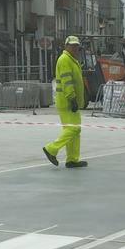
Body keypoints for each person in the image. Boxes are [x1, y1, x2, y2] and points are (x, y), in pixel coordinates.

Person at [43, 36, 87, 168]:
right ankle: (51, 149)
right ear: (66, 46)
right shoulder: (65, 60)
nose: (75, 48)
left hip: (70, 101)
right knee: (74, 129)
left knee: (74, 131)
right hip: (67, 101)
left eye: (76, 46)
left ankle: (72, 159)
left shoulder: (71, 60)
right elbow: (66, 80)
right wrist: (72, 98)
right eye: (72, 45)